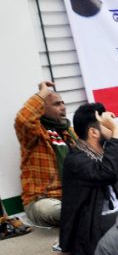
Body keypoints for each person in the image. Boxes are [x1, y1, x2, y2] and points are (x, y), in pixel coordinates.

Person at [59, 103, 118, 255]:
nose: (113, 128)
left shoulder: (105, 155)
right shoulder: (76, 160)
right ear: (94, 132)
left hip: (112, 219)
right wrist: (115, 134)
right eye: (107, 125)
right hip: (89, 230)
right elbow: (106, 173)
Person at [15, 80, 75, 228]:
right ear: (42, 108)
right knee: (50, 210)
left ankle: (79, 214)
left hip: (72, 195)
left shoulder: (68, 131)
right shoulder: (34, 134)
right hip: (43, 200)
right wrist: (42, 92)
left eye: (62, 103)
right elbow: (24, 119)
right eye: (56, 104)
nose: (63, 108)